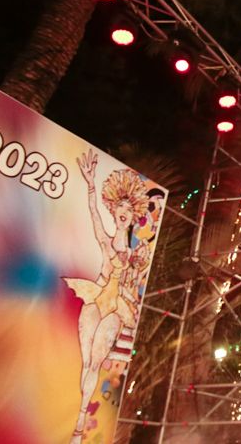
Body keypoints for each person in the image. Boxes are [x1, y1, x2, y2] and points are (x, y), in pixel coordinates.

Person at [64, 149, 150, 443]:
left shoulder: (137, 250)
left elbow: (137, 275)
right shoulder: (105, 238)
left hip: (116, 308)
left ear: (132, 213)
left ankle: (78, 425)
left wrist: (136, 267)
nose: (123, 211)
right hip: (96, 297)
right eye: (119, 207)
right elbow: (92, 213)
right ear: (114, 211)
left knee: (97, 361)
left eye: (128, 207)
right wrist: (90, 184)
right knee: (86, 361)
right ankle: (77, 417)